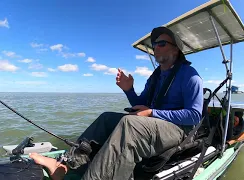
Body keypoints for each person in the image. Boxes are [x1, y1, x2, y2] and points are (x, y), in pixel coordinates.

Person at [29, 26, 204, 180]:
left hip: (178, 129)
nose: (155, 47)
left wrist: (152, 113)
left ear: (175, 50)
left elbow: (194, 116)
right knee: (106, 118)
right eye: (154, 44)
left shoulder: (190, 75)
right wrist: (129, 90)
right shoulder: (155, 77)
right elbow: (140, 105)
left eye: (161, 43)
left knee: (130, 124)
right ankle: (66, 166)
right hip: (154, 124)